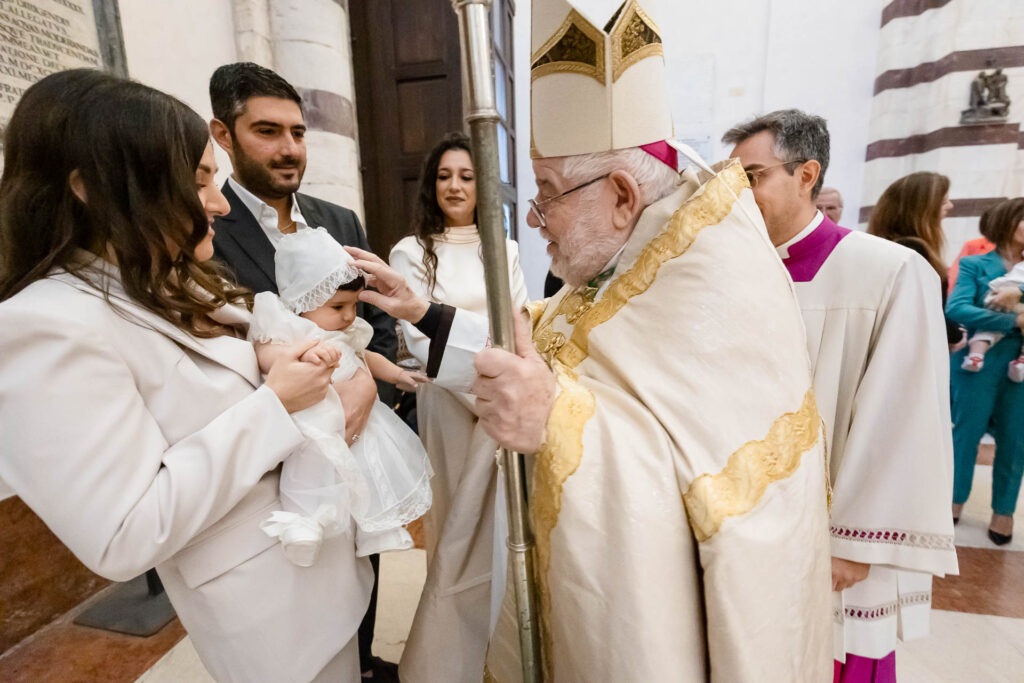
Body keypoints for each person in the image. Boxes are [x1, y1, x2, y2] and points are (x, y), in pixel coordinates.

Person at [356, 2, 834, 680]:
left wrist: (552, 417)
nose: (534, 216)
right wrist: (428, 314)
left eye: (548, 192)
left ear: (618, 194)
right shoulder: (631, 253)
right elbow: (543, 346)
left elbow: (726, 498)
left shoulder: (714, 278)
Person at [0, 70, 372, 682]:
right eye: (199, 180)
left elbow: (240, 352)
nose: (220, 204)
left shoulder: (158, 281)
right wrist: (274, 406)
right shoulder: (43, 326)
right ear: (93, 187)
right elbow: (123, 533)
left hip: (319, 579)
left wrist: (274, 358)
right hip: (269, 615)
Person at [724, 109, 958, 681]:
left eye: (752, 176)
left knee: (837, 655)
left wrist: (856, 539)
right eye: (731, 180)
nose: (738, 194)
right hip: (747, 526)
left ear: (807, 175)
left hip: (835, 538)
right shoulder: (731, 271)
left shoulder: (889, 272)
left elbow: (904, 416)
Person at [207, 61, 398, 680]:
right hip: (268, 451)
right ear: (223, 134)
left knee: (361, 561)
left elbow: (379, 324)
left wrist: (370, 383)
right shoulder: (207, 225)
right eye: (267, 131)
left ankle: (362, 664)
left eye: (298, 132)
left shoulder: (338, 221)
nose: (289, 148)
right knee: (295, 589)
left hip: (355, 436)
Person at [388, 132, 528, 683]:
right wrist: (487, 383)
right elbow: (422, 339)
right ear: (432, 184)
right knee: (453, 522)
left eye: (467, 176)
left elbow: (516, 324)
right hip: (447, 404)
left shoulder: (506, 249)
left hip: (497, 403)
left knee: (503, 519)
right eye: (445, 175)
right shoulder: (409, 251)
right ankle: (452, 650)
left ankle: (502, 636)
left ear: (482, 186)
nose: (455, 185)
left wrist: (498, 387)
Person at [251, 227, 432, 566]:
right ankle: (304, 522)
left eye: (353, 305)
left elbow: (367, 356)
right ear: (303, 301)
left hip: (360, 420)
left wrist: (398, 375)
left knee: (367, 472)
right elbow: (265, 353)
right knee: (310, 469)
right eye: (338, 306)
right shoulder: (290, 327)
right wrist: (303, 357)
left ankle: (376, 528)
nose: (350, 316)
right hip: (312, 424)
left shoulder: (343, 330)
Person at [947, 197, 1024, 546]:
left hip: (1018, 364)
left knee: (1015, 438)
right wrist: (1014, 319)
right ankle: (953, 499)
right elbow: (957, 307)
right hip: (974, 364)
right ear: (1008, 221)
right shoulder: (975, 265)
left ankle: (1004, 511)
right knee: (966, 434)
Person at [866, 171, 964, 349]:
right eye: (943, 201)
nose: (950, 205)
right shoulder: (912, 250)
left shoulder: (889, 247)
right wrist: (956, 333)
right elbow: (920, 312)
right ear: (922, 209)